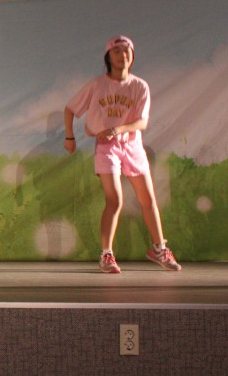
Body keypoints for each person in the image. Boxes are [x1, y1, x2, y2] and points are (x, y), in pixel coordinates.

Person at [64, 35, 181, 273]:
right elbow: (70, 109)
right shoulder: (97, 85)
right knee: (115, 200)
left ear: (132, 56)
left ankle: (159, 248)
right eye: (116, 51)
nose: (122, 56)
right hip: (106, 148)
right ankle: (106, 254)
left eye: (126, 51)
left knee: (148, 199)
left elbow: (142, 122)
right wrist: (69, 137)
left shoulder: (140, 86)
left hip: (132, 145)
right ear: (108, 57)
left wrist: (118, 129)